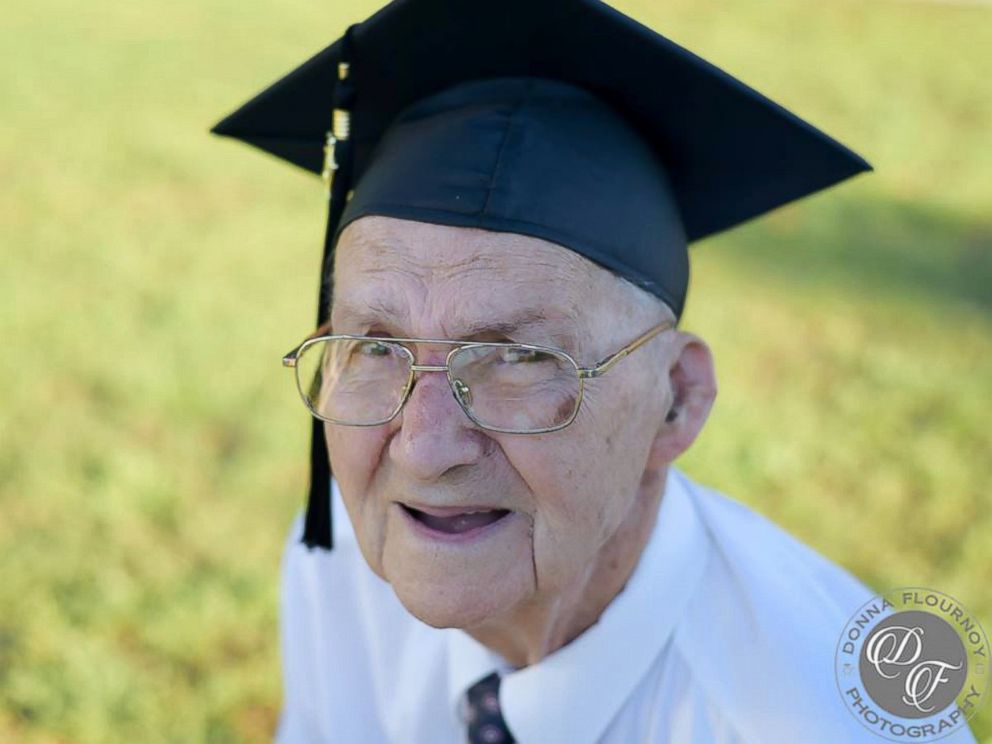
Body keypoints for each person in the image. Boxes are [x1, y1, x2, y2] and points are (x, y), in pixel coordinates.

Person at [210, 1, 980, 742]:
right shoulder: (340, 565)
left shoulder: (812, 722)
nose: (422, 448)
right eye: (376, 346)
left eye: (519, 360)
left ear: (676, 401)